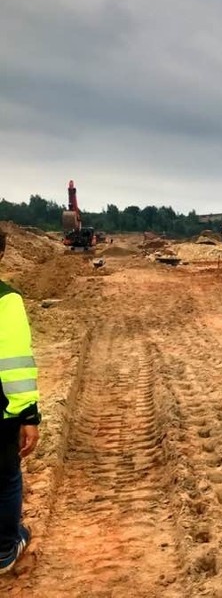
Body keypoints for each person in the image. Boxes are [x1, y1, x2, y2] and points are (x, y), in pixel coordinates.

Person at [0, 229, 40, 574]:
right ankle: (3, 552)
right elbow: (15, 365)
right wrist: (29, 415)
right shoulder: (6, 300)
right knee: (6, 478)